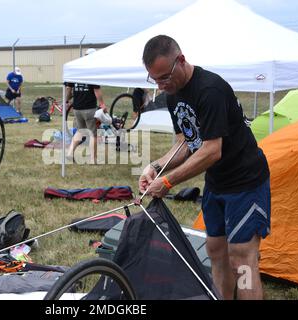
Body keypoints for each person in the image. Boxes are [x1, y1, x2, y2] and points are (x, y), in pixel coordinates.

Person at [139, 35, 271, 300]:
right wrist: (155, 167)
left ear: (181, 60)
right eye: (155, 81)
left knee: (242, 261)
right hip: (217, 184)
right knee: (216, 252)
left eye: (165, 77)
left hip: (245, 182)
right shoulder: (174, 95)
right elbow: (185, 143)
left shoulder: (210, 89)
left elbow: (212, 150)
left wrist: (167, 182)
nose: (162, 86)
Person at [64, 49, 107, 164]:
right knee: (93, 134)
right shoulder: (93, 71)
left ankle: (69, 153)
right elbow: (96, 90)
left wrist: (67, 100)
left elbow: (69, 88)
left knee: (80, 131)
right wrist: (102, 104)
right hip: (89, 108)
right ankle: (93, 160)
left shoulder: (76, 70)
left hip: (77, 108)